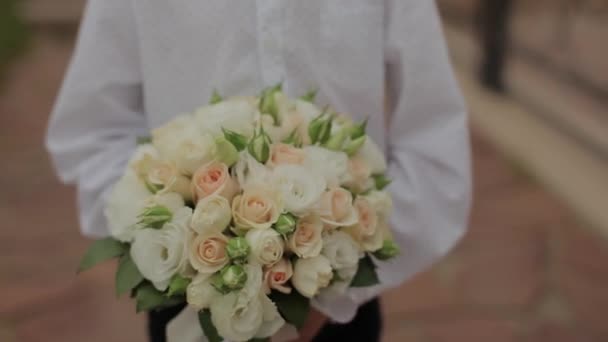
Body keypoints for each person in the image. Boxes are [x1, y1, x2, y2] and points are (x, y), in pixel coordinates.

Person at [46, 1, 471, 341]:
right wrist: (165, 244)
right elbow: (90, 132)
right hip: (188, 306)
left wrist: (336, 287)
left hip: (340, 311)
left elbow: (433, 137)